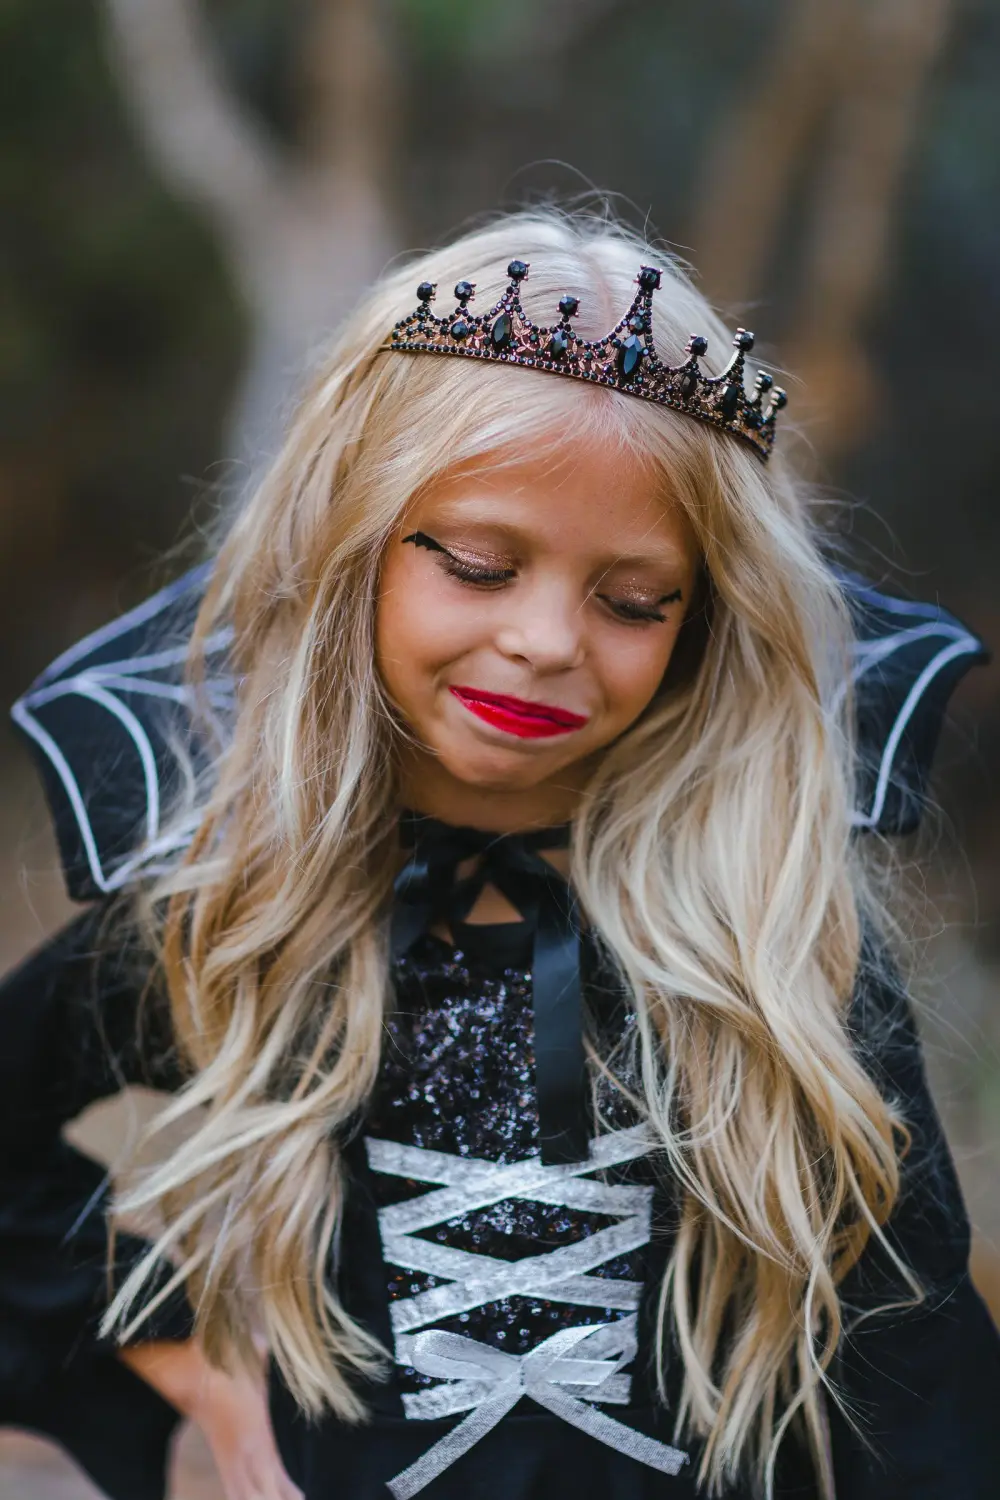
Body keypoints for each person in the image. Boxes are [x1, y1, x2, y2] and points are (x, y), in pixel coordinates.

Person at [1, 208, 998, 1500]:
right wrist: (181, 1353)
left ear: (700, 621)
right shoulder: (244, 904)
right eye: (478, 565)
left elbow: (919, 1390)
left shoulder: (771, 944)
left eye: (633, 601)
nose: (544, 639)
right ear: (351, 544)